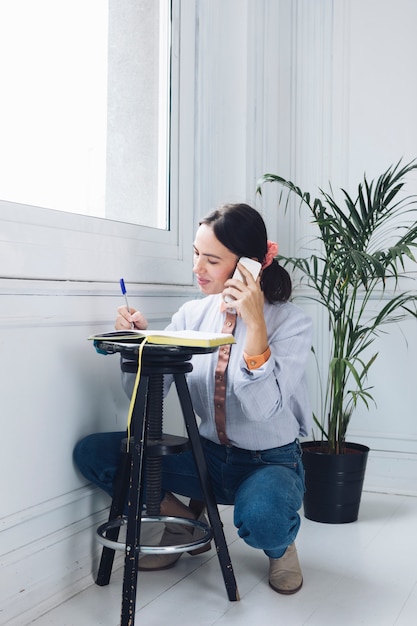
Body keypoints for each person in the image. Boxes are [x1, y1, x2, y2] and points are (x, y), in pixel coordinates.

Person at [74, 203, 312, 595]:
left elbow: (261, 407)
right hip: (206, 457)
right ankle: (189, 525)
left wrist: (254, 326)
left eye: (212, 259)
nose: (197, 268)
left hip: (268, 463)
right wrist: (140, 348)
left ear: (248, 267)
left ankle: (279, 547)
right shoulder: (190, 315)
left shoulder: (292, 324)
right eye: (195, 254)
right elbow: (147, 398)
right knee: (95, 453)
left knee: (264, 517)